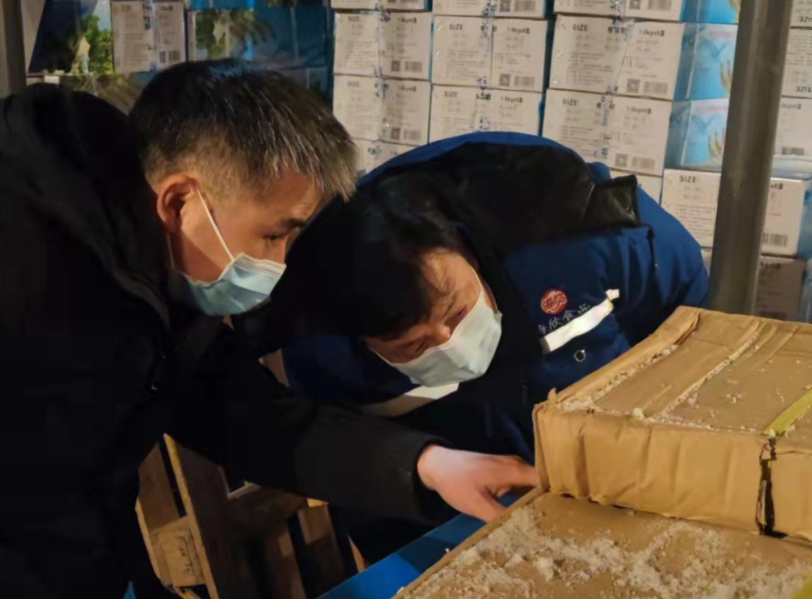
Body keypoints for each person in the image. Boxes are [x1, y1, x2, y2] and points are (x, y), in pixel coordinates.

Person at [0, 63, 538, 598]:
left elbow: (247, 416)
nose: (281, 263)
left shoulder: (148, 268)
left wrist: (429, 464)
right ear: (180, 201)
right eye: (273, 234)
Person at [242, 132, 708, 561]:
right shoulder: (325, 352)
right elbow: (368, 485)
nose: (450, 344)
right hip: (475, 519)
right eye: (414, 346)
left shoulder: (580, 231)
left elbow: (698, 326)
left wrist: (665, 452)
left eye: (457, 312)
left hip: (634, 477)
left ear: (464, 246)